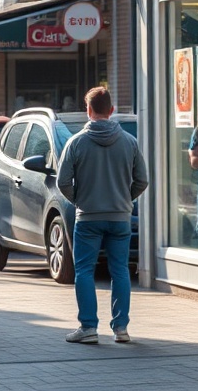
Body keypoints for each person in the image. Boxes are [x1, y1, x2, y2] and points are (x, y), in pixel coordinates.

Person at [57, 87, 149, 345]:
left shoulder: (75, 143)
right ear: (111, 110)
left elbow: (63, 182)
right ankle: (121, 328)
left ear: (88, 111)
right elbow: (143, 180)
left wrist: (80, 200)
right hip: (120, 218)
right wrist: (125, 200)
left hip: (88, 217)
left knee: (84, 270)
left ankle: (88, 328)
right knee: (120, 270)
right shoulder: (129, 142)